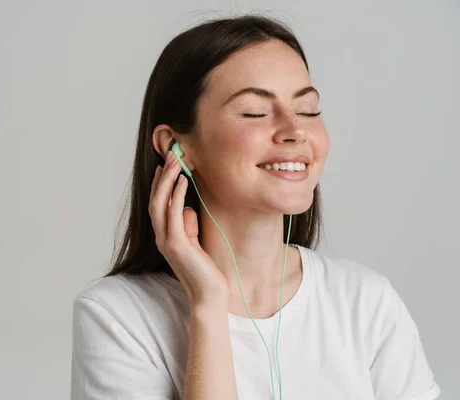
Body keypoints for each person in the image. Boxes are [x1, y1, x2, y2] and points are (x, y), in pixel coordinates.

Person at [70, 15, 440, 400]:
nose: (295, 131)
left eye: (308, 109)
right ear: (175, 146)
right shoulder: (117, 317)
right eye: (255, 112)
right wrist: (208, 304)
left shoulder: (367, 303)